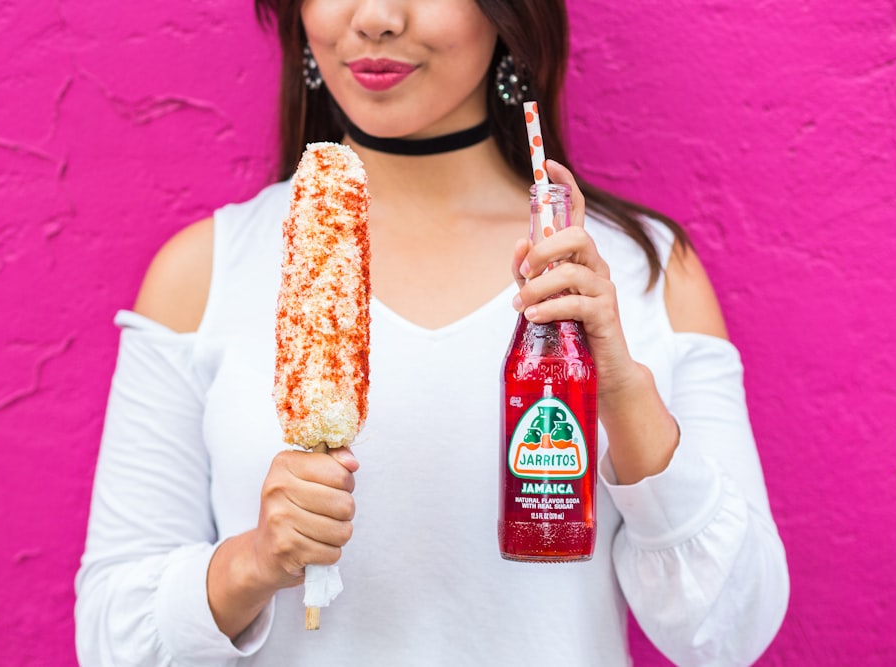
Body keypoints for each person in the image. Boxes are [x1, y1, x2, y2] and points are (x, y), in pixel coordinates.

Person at [75, 1, 789, 665]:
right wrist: (251, 563)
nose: (378, 18)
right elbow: (110, 635)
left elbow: (728, 630)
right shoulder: (205, 273)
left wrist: (625, 390)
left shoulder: (645, 271)